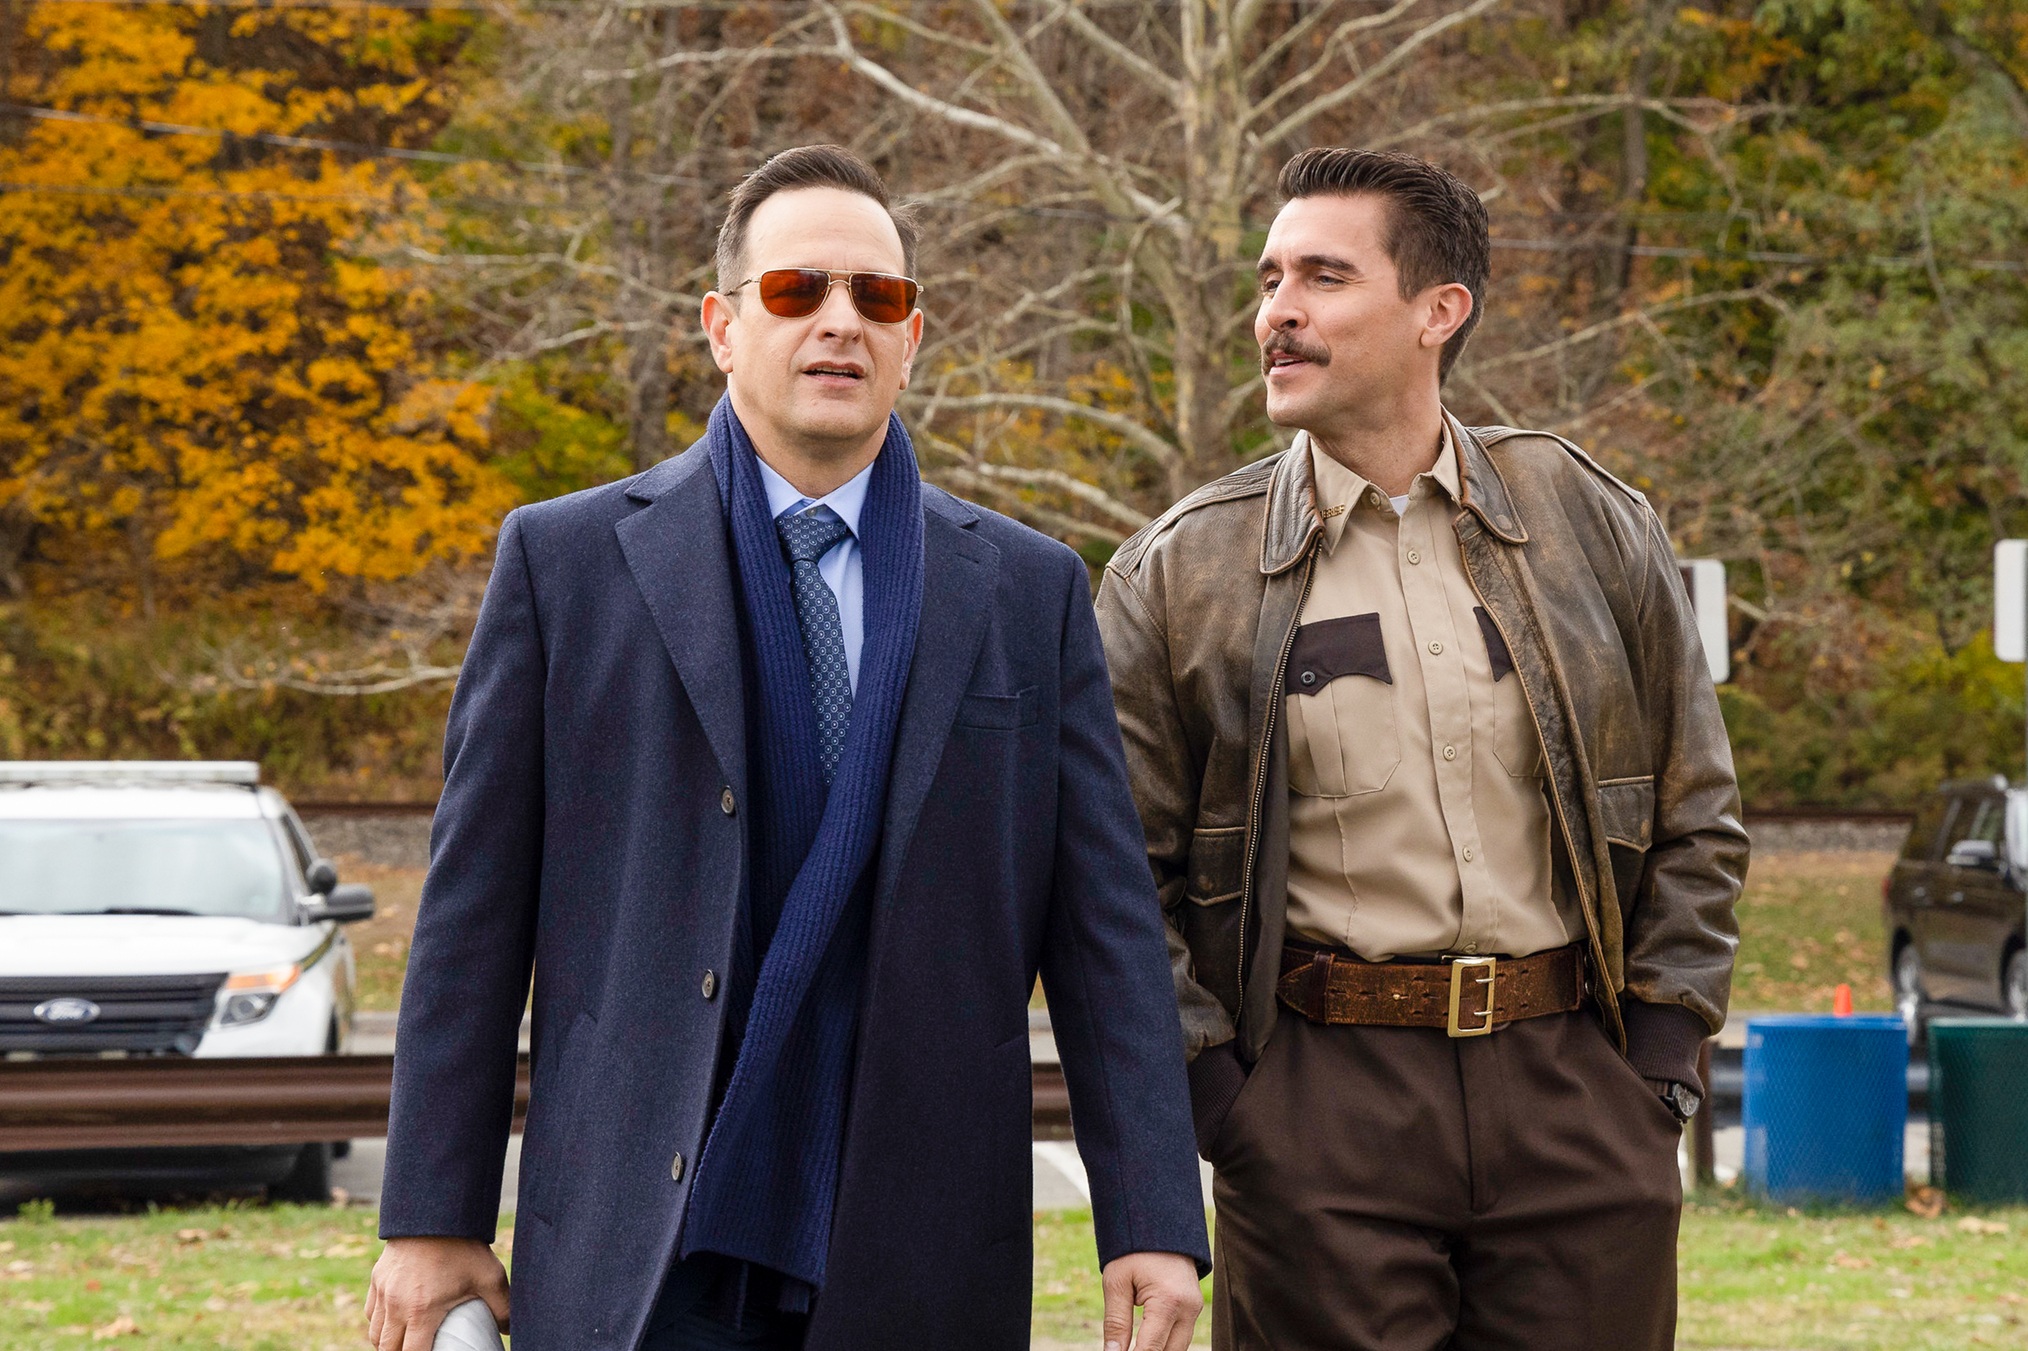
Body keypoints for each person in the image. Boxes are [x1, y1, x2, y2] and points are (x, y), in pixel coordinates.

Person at [366, 144, 1209, 1351]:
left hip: (920, 1243)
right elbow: (470, 916)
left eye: (878, 296)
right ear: (722, 326)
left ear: (913, 337)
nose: (840, 321)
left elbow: (1107, 931)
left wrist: (1152, 1214)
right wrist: (430, 1216)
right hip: (637, 1242)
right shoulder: (566, 566)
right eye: (796, 289)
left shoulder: (1028, 591)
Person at [1095, 147, 1748, 1350]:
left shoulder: (1591, 520)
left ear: (1438, 310)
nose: (1277, 311)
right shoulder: (1181, 573)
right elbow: (1121, 881)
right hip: (1317, 1110)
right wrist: (1228, 1107)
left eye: (1324, 277)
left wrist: (1656, 1071)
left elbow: (1695, 809)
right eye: (1270, 280)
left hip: (1578, 1099)